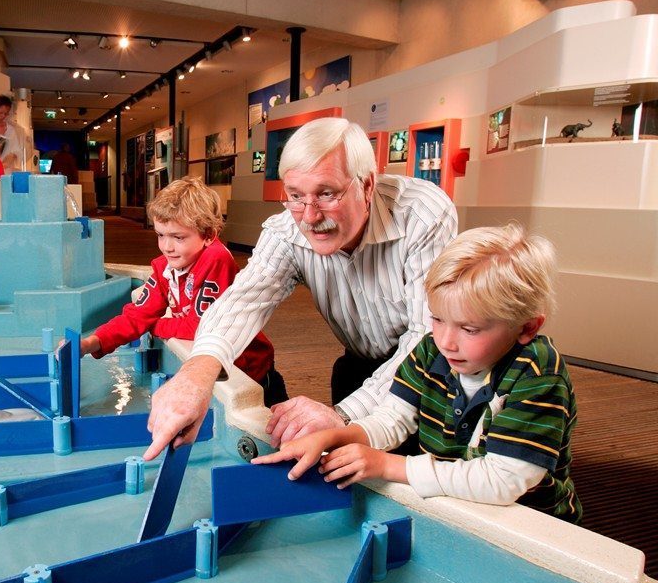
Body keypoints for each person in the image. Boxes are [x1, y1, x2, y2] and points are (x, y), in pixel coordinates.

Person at [144, 118, 457, 461]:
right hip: (358, 365)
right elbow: (243, 301)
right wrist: (197, 375)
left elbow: (428, 336)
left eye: (327, 194)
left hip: (441, 373)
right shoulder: (285, 230)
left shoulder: (422, 214)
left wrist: (343, 416)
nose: (308, 216)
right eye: (295, 196)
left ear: (366, 186)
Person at [252, 224, 581, 523]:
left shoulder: (538, 373)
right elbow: (392, 418)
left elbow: (502, 482)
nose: (446, 342)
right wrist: (332, 436)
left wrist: (389, 465)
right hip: (454, 507)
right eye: (437, 319)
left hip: (531, 525)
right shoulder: (430, 349)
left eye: (469, 328)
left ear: (526, 327)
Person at [81, 176, 287, 407]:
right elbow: (136, 315)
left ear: (208, 234)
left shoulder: (216, 259)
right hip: (216, 373)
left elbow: (200, 327)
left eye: (178, 237)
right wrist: (92, 342)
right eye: (161, 235)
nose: (167, 247)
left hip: (252, 373)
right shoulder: (164, 267)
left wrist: (152, 325)